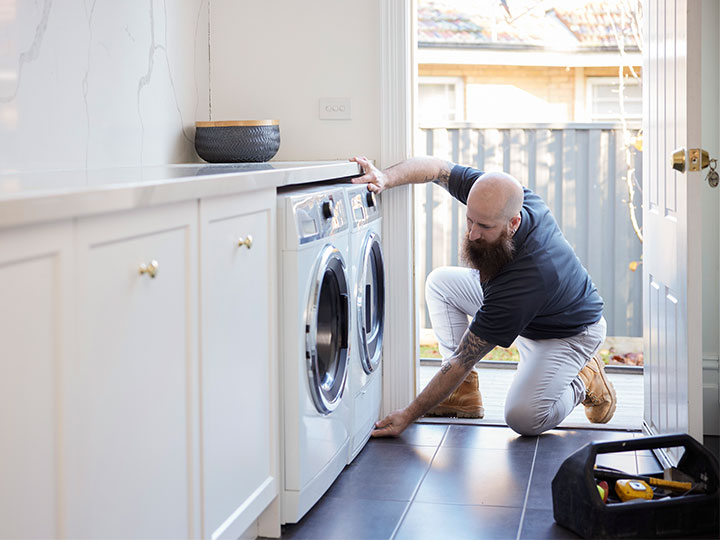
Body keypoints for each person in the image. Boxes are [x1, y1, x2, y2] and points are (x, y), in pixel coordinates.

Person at [349, 155, 617, 437]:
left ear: (514, 222)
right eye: (470, 220)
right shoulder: (494, 196)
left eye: (485, 227)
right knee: (441, 283)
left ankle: (584, 378)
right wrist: (385, 178)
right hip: (531, 311)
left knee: (523, 418)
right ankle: (462, 395)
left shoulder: (528, 276)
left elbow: (462, 360)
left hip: (566, 334)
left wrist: (408, 414)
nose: (473, 234)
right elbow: (436, 168)